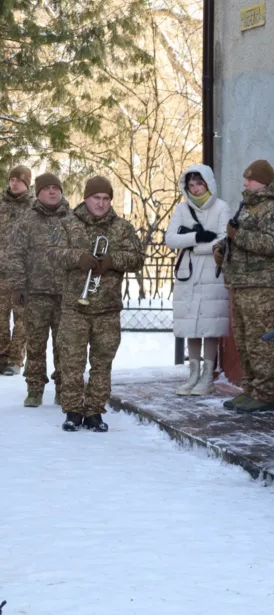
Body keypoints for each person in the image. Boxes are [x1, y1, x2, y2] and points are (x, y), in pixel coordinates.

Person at [50, 176, 144, 432]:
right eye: (96, 198)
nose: (101, 203)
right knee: (72, 363)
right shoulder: (68, 223)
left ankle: (94, 412)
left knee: (102, 363)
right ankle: (72, 411)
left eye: (106, 199)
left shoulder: (122, 227)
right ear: (86, 198)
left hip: (108, 309)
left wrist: (113, 261)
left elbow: (137, 258)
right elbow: (53, 253)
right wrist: (78, 257)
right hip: (74, 307)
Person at [214, 159, 274, 413]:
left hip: (262, 285)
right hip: (241, 282)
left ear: (264, 183)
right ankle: (250, 389)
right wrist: (223, 247)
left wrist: (239, 237)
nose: (245, 183)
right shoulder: (247, 207)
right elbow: (237, 237)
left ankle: (264, 394)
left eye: (250, 179)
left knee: (260, 341)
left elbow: (272, 244)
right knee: (244, 340)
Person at [165, 164, 230, 396]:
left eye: (199, 184)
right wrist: (196, 237)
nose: (195, 189)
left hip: (213, 271)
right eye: (191, 185)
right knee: (191, 324)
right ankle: (192, 375)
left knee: (209, 325)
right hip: (188, 272)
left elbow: (223, 240)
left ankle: (207, 377)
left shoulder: (222, 207)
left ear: (208, 183)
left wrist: (192, 245)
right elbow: (170, 239)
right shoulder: (182, 209)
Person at [9, 173, 69, 407]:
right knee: (35, 343)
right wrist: (18, 286)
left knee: (64, 344)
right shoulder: (27, 220)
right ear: (39, 192)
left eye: (56, 188)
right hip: (36, 293)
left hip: (66, 294)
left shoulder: (72, 220)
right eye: (47, 188)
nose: (52, 192)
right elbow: (15, 254)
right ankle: (34, 389)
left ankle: (63, 388)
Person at [0, 165, 34, 376]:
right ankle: (2, 357)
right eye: (12, 179)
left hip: (23, 275)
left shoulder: (34, 208)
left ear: (27, 183)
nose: (14, 183)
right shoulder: (1, 205)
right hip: (1, 273)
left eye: (19, 180)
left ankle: (15, 359)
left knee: (22, 319)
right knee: (1, 318)